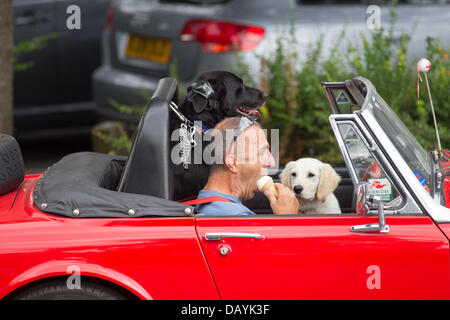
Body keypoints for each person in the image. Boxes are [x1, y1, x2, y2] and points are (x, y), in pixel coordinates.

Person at [195, 117, 299, 215]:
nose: (271, 162)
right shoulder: (236, 216)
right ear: (233, 163)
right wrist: (287, 218)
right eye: (262, 152)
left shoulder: (205, 201)